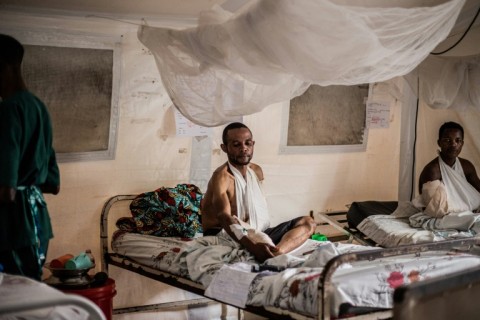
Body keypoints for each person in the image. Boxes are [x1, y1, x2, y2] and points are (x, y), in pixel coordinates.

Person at [201, 122, 315, 262]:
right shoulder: (221, 177)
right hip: (225, 235)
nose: (244, 148)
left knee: (308, 222)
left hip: (255, 232)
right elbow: (224, 217)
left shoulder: (256, 171)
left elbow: (256, 207)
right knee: (254, 238)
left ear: (253, 144)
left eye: (248, 143)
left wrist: (257, 243)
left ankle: (275, 254)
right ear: (224, 148)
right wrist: (254, 247)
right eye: (236, 145)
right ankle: (267, 253)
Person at [0, 34, 60, 280]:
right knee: (31, 291)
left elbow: (6, 192)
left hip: (14, 226)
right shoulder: (38, 107)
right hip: (38, 222)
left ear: (7, 67)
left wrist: (11, 186)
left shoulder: (8, 110)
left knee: (15, 299)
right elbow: (53, 183)